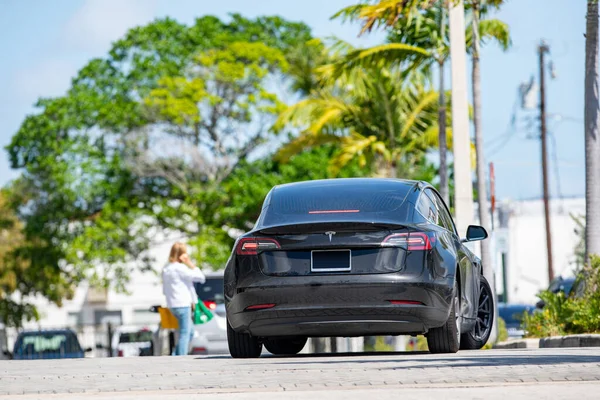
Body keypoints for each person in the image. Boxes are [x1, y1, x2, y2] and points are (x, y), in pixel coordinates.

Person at [162, 242, 206, 356]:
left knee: (190, 332)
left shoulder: (166, 269)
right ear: (182, 254)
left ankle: (175, 355)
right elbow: (200, 278)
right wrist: (189, 263)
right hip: (183, 304)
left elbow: (164, 290)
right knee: (185, 333)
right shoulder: (180, 268)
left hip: (172, 305)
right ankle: (180, 358)